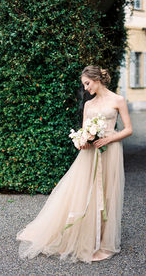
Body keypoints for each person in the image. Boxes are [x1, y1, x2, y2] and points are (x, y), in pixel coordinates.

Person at [16, 65, 133, 263]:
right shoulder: (89, 105)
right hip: (90, 155)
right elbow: (84, 129)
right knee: (85, 191)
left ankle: (103, 239)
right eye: (84, 85)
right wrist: (83, 141)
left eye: (87, 83)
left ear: (96, 79)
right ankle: (86, 236)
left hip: (110, 152)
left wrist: (109, 139)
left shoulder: (118, 100)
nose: (86, 88)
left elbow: (129, 129)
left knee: (107, 192)